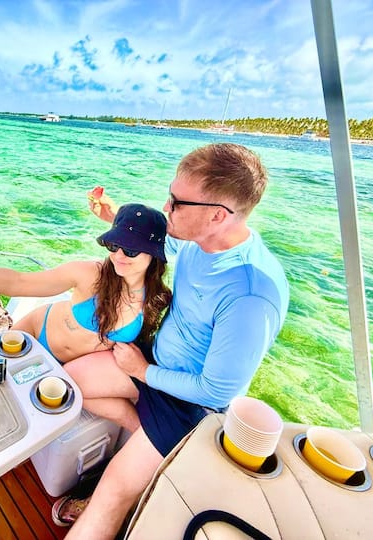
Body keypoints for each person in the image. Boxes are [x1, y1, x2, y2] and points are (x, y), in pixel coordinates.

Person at [56, 143, 290, 537]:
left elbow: (215, 391)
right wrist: (115, 217)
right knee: (69, 382)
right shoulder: (202, 238)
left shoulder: (251, 294)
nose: (166, 207)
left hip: (189, 405)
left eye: (177, 203)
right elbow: (163, 240)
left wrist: (141, 372)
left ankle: (137, 472)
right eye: (170, 194)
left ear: (217, 215)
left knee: (110, 495)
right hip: (154, 363)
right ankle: (151, 447)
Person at [0, 203, 172, 364]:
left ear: (155, 254)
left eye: (131, 250)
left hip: (69, 368)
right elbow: (19, 282)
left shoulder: (157, 299)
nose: (118, 255)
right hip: (34, 334)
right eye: (113, 245)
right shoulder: (90, 274)